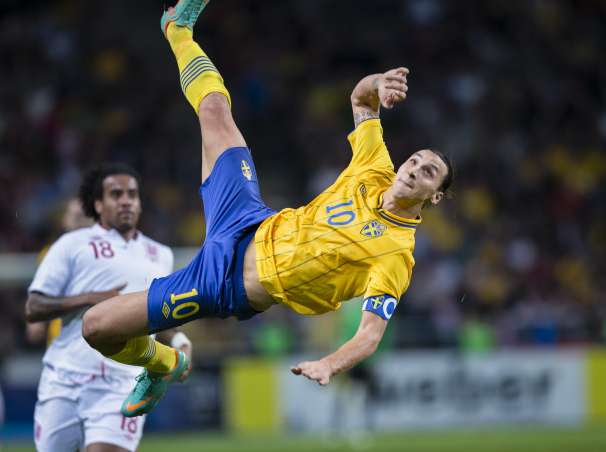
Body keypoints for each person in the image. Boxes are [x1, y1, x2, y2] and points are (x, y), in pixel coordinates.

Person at [82, 0, 453, 418]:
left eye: (429, 172)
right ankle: (176, 30)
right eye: (417, 160)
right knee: (215, 110)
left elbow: (370, 335)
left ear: (434, 196)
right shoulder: (376, 167)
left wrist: (330, 364)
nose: (415, 169)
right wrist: (379, 83)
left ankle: (163, 363)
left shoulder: (396, 254)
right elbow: (361, 100)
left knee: (96, 327)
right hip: (246, 218)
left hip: (223, 284)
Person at [25, 163, 192, 452]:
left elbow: (158, 319)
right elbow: (34, 307)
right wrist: (89, 298)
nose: (126, 200)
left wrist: (181, 341)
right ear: (99, 204)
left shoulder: (161, 255)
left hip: (121, 382)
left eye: (132, 194)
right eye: (116, 194)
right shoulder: (70, 244)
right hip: (64, 379)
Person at [26, 197, 94, 346]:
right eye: (75, 216)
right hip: (63, 334)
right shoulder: (52, 252)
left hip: (97, 329)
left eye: (84, 216)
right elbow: (41, 291)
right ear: (65, 220)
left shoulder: (106, 251)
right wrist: (36, 322)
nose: (79, 221)